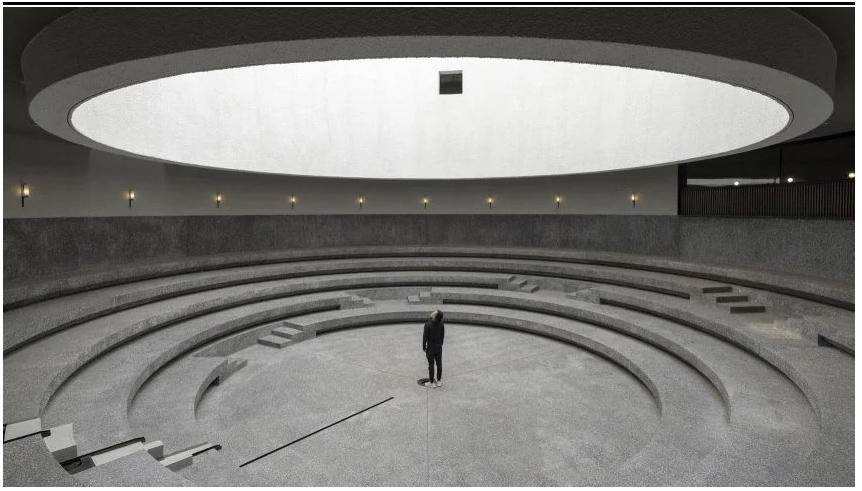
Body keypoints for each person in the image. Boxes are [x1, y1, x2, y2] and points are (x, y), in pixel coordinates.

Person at [422, 310, 444, 388]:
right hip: (438, 348)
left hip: (430, 348)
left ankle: (431, 382)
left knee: (431, 365)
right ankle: (439, 381)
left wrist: (424, 346)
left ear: (434, 315)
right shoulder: (441, 324)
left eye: (434, 312)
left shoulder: (428, 325)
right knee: (439, 364)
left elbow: (425, 337)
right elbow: (442, 336)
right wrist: (440, 345)